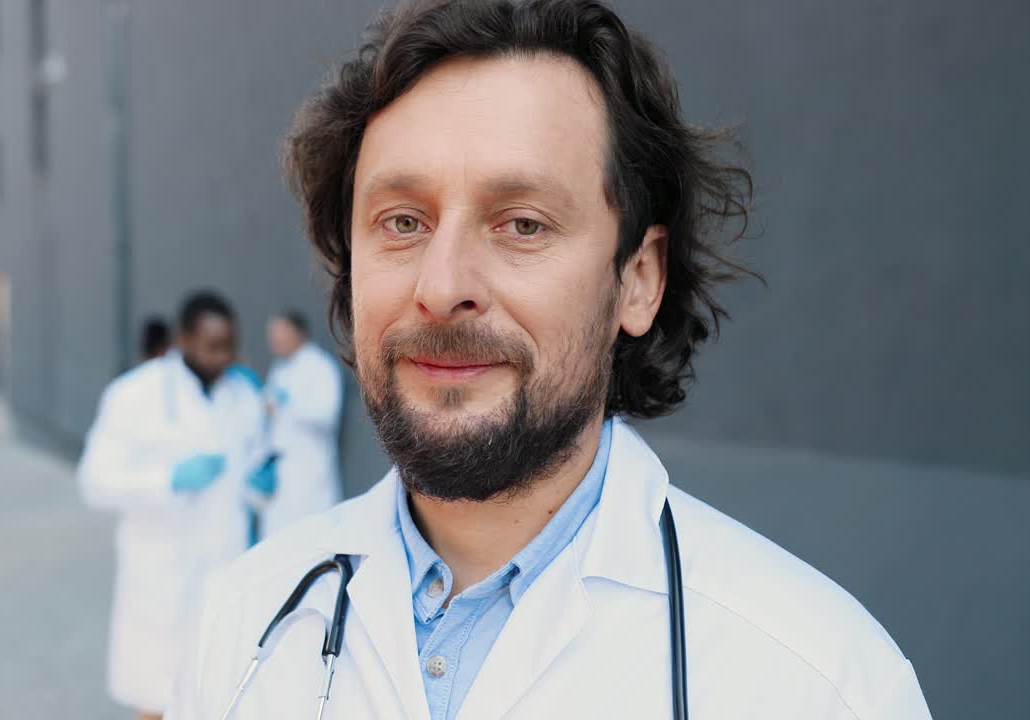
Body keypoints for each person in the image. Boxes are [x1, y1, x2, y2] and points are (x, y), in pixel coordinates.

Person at [167, 2, 933, 718]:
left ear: (637, 280)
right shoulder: (245, 621)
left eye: (522, 224)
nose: (441, 288)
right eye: (402, 221)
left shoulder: (822, 682)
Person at [79, 291, 265, 720]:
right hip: (162, 575)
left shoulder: (242, 396)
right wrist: (168, 481)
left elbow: (252, 466)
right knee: (159, 697)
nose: (224, 357)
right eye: (212, 346)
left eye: (230, 345)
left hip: (227, 562)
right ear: (183, 340)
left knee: (223, 693)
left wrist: (260, 484)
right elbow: (94, 483)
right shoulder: (134, 395)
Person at [259, 310, 343, 539]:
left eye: (279, 333)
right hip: (281, 471)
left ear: (297, 333)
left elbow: (327, 413)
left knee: (310, 535)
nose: (273, 340)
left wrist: (288, 404)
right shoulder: (279, 369)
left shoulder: (320, 366)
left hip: (310, 467)